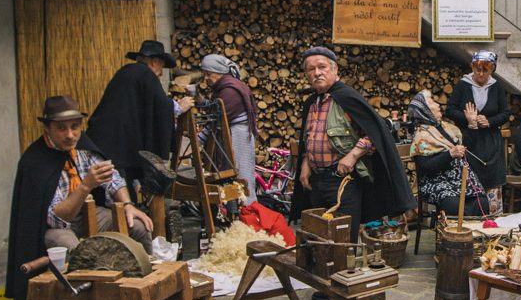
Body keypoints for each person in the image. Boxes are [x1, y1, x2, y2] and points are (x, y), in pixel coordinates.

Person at [5, 95, 153, 300]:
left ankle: (148, 293)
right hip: (55, 226)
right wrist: (85, 186)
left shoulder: (83, 148)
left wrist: (128, 204)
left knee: (138, 227)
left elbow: (113, 178)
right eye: (61, 129)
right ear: (48, 129)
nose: (70, 135)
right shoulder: (35, 161)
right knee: (76, 251)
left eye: (75, 127)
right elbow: (57, 218)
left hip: (88, 214)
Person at [290, 46, 416, 246]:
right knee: (317, 235)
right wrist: (305, 162)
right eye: (311, 69)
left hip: (343, 181)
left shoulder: (347, 97)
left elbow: (376, 131)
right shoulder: (312, 103)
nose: (316, 73)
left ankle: (342, 274)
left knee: (343, 239)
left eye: (321, 67)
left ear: (334, 69)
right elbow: (308, 136)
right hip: (316, 181)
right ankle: (321, 274)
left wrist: (353, 155)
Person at [87, 39, 189, 194]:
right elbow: (160, 105)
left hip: (104, 141)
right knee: (118, 193)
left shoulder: (126, 72)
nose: (161, 73)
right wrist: (179, 107)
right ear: (155, 62)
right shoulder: (145, 74)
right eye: (161, 66)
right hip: (116, 144)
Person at [407, 90, 490, 216]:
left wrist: (472, 123)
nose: (438, 104)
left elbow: (465, 147)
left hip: (458, 177)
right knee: (454, 206)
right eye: (432, 102)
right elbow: (426, 167)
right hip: (435, 181)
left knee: (482, 203)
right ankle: (454, 234)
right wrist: (450, 154)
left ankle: (474, 233)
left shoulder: (445, 127)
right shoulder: (420, 137)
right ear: (425, 110)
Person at [445, 51, 510, 208]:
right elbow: (450, 110)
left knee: (492, 181)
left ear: (492, 70)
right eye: (477, 70)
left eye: (485, 71)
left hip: (491, 143)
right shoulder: (463, 85)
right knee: (470, 179)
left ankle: (493, 219)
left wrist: (489, 121)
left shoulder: (496, 87)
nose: (480, 74)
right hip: (469, 141)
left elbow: (506, 113)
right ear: (472, 68)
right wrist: (468, 119)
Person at [201, 53, 260, 203]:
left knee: (241, 176)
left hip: (237, 137)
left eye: (208, 74)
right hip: (237, 134)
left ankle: (246, 211)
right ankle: (236, 211)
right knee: (239, 175)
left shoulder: (230, 91)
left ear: (219, 72)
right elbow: (216, 109)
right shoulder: (226, 87)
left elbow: (217, 118)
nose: (206, 79)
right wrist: (200, 101)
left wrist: (199, 139)